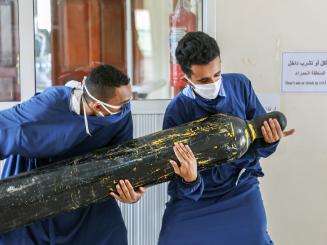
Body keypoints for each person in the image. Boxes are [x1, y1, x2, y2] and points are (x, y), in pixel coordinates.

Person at [158, 32, 295, 245]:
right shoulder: (176, 111)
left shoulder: (240, 86)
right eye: (203, 80)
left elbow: (260, 148)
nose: (213, 82)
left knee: (258, 239)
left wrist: (270, 140)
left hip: (240, 188)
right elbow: (177, 178)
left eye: (217, 74)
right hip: (196, 198)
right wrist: (190, 179)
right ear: (187, 79)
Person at [0, 64, 146, 245]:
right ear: (98, 106)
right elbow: (3, 127)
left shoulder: (120, 112)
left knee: (111, 235)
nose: (127, 106)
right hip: (36, 189)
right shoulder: (45, 106)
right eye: (123, 103)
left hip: (87, 189)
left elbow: (123, 156)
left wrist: (132, 192)